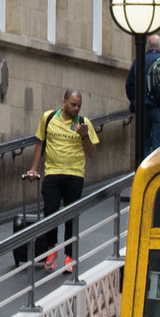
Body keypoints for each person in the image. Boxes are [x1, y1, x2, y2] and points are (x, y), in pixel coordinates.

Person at [34, 89, 99, 270]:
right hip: (52, 173)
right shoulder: (48, 118)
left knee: (71, 215)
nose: (76, 109)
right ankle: (51, 250)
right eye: (73, 104)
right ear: (64, 102)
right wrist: (33, 168)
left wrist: (84, 136)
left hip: (74, 175)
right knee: (50, 212)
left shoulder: (85, 124)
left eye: (79, 105)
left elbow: (92, 153)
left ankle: (69, 256)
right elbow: (40, 143)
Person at [128, 31, 160, 158]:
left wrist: (135, 103)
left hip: (143, 109)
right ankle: (158, 175)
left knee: (144, 145)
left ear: (147, 48)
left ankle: (144, 173)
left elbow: (129, 85)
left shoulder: (139, 61)